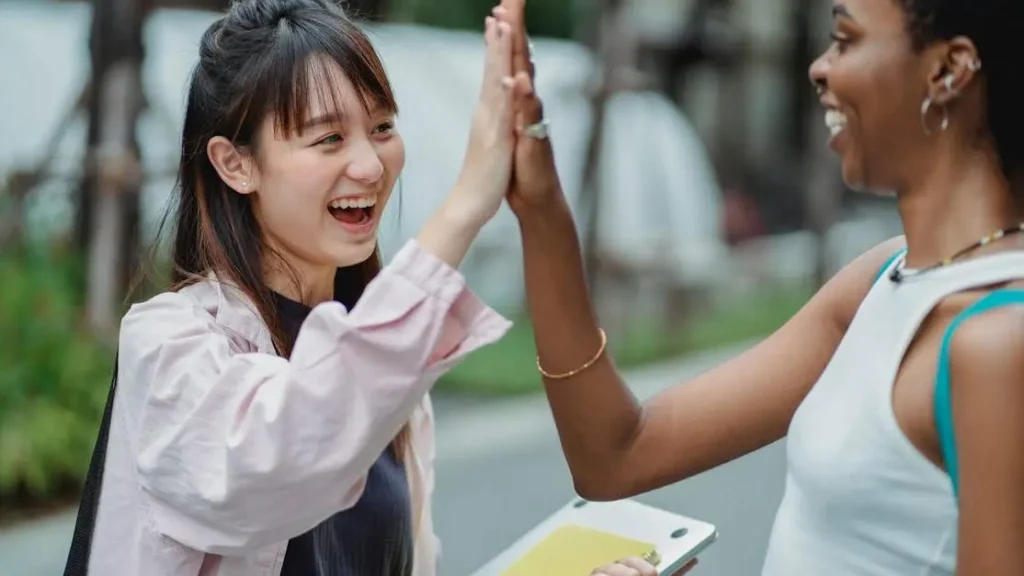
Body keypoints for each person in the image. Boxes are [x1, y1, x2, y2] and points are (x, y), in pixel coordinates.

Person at [494, 0, 1024, 574]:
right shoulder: (882, 279)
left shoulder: (998, 341)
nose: (820, 67)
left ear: (948, 71)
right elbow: (616, 454)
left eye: (845, 40)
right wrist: (542, 210)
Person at [82, 0, 521, 573]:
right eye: (329, 138)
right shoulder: (171, 347)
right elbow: (288, 451)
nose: (370, 165)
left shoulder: (383, 370)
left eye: (382, 127)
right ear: (236, 164)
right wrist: (465, 206)